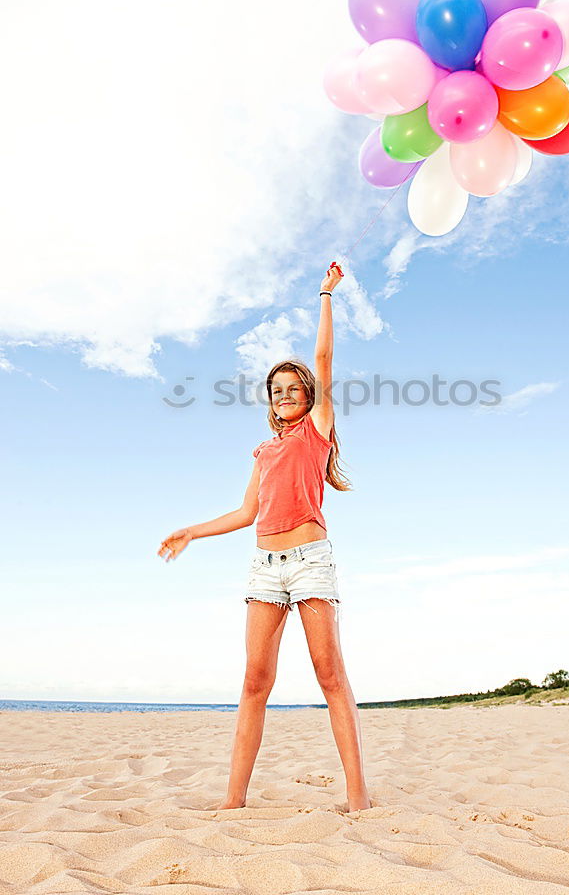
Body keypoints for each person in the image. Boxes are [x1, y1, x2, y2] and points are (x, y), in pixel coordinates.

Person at [157, 262, 372, 813]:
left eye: (291, 388)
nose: (283, 395)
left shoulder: (317, 430)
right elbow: (247, 512)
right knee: (255, 679)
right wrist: (192, 531)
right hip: (264, 568)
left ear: (307, 394)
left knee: (330, 674)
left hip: (310, 561)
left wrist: (325, 295)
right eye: (275, 390)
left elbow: (323, 359)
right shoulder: (264, 451)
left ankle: (358, 797)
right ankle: (234, 799)